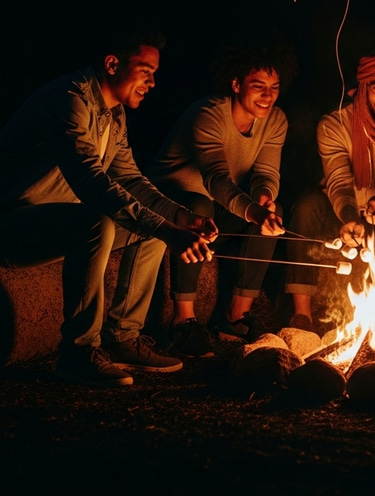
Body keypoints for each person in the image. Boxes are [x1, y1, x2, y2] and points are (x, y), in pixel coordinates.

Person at [0, 29, 217, 388]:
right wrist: (166, 229)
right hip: (14, 224)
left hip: (57, 224)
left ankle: (122, 338)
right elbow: (90, 182)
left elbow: (130, 180)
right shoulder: (67, 100)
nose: (152, 82)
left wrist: (180, 218)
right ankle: (78, 352)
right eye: (145, 70)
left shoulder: (113, 115)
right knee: (97, 223)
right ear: (112, 64)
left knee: (150, 226)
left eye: (155, 74)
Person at [144, 41, 298, 356]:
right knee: (199, 205)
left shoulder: (276, 120)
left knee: (274, 210)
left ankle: (234, 318)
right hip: (172, 202)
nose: (267, 95)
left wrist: (264, 201)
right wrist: (254, 212)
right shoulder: (209, 115)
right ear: (236, 83)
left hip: (219, 207)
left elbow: (266, 174)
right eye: (258, 86)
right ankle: (183, 322)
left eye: (274, 87)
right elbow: (216, 180)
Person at [283, 47, 375, 331]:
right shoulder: (333, 125)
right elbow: (338, 182)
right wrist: (350, 216)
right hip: (340, 210)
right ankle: (301, 315)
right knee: (306, 206)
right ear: (363, 88)